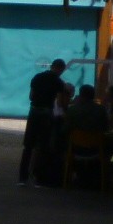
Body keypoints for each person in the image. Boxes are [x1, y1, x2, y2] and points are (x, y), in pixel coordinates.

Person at [23, 59, 67, 188]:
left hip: (34, 111)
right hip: (47, 113)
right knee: (43, 146)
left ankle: (22, 177)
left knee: (28, 145)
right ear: (60, 69)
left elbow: (31, 96)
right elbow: (60, 102)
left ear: (52, 66)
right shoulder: (58, 82)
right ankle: (39, 178)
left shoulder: (37, 77)